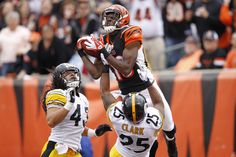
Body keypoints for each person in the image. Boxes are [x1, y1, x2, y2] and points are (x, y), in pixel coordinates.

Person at [77, 4, 178, 157]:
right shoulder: (104, 39)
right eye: (107, 18)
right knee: (145, 138)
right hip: (126, 94)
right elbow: (96, 73)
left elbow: (126, 68)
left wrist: (103, 52)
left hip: (146, 87)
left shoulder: (131, 32)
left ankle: (172, 149)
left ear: (123, 19)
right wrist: (82, 54)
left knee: (169, 130)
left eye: (113, 18)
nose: (109, 20)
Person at [40, 63, 112, 157]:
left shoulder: (82, 98)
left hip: (74, 151)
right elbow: (51, 121)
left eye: (74, 73)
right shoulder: (57, 93)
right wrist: (69, 104)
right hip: (57, 149)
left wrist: (93, 133)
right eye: (67, 73)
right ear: (59, 78)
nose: (72, 75)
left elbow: (76, 127)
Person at [100, 64, 164, 157]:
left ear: (123, 111)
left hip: (119, 154)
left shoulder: (116, 118)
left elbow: (104, 92)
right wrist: (148, 83)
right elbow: (158, 103)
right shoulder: (153, 123)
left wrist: (105, 66)